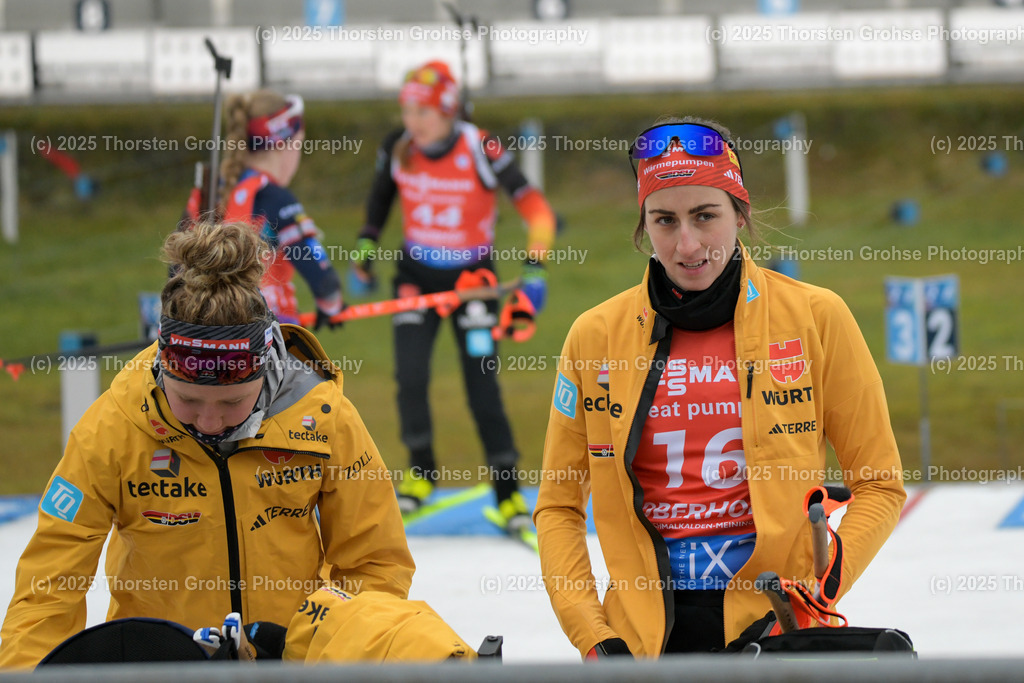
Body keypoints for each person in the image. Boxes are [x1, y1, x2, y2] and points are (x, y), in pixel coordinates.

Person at [534, 117, 907, 657]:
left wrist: (818, 589)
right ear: (644, 226)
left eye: (705, 216)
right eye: (665, 220)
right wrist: (595, 638)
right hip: (642, 642)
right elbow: (558, 507)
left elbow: (879, 482)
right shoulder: (595, 337)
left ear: (740, 213)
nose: (687, 244)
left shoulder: (816, 317)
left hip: (776, 629)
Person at [0, 222, 414, 669]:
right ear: (161, 364)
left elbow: (374, 564)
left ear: (267, 364)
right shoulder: (112, 427)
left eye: (234, 401)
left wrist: (320, 644)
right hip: (159, 670)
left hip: (291, 667)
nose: (211, 421)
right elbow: (48, 587)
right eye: (189, 400)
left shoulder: (324, 416)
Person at [352, 60, 557, 530]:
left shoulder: (480, 145)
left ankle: (507, 491)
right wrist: (365, 248)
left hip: (472, 285)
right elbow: (380, 199)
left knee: (482, 385)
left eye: (421, 112)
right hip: (414, 279)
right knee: (410, 376)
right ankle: (421, 473)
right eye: (406, 110)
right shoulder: (400, 145)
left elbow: (536, 208)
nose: (412, 122)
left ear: (447, 112)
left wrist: (536, 266)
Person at [184, 89, 344, 330]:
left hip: (206, 336)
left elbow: (177, 267)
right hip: (269, 336)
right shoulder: (275, 198)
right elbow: (323, 278)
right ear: (284, 145)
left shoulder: (206, 192)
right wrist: (332, 306)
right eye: (299, 144)